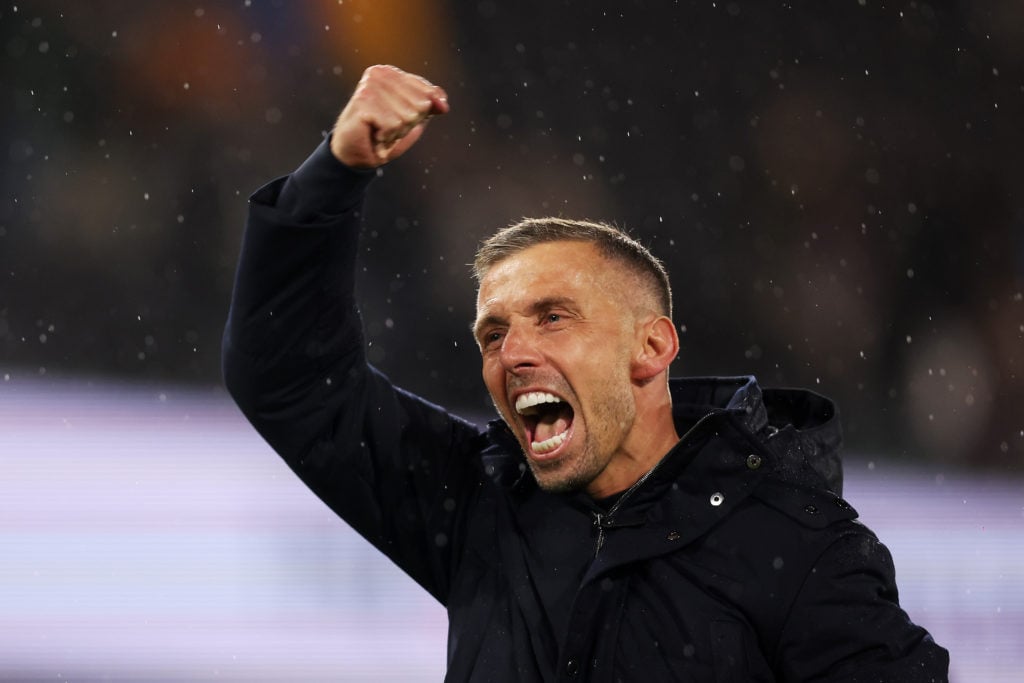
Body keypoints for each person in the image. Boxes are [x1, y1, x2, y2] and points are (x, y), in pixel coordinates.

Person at [223, 65, 949, 682]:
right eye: (493, 333)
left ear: (652, 346)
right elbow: (288, 377)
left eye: (553, 317)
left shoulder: (798, 552)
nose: (512, 354)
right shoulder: (480, 506)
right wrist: (337, 173)